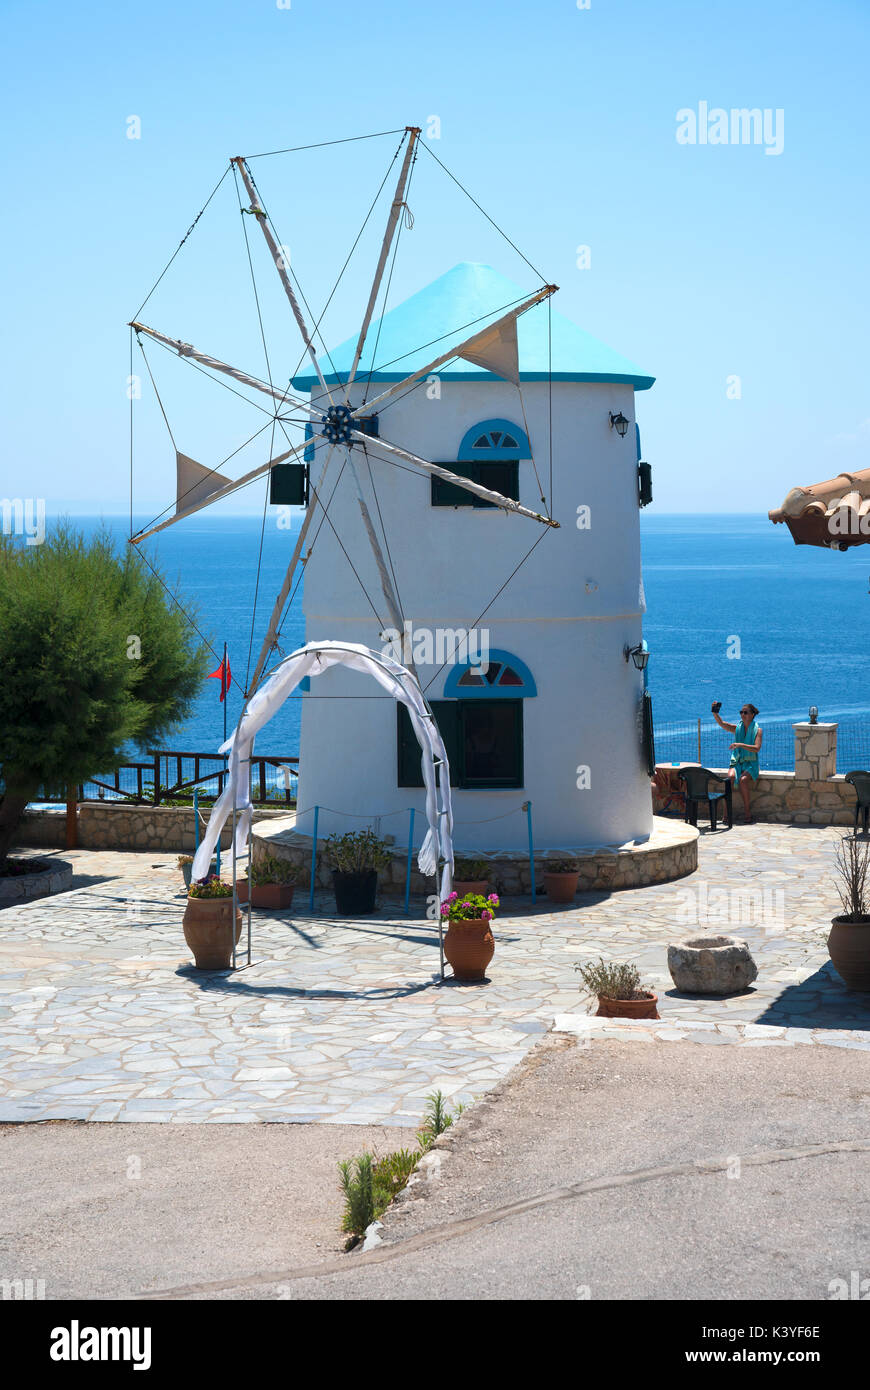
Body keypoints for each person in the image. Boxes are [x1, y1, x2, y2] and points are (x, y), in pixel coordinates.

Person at [712, 701, 762, 823]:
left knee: (743, 781)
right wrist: (715, 712)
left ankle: (747, 813)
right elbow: (722, 724)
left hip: (751, 763)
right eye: (741, 712)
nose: (742, 714)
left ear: (752, 715)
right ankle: (726, 813)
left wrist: (739, 744)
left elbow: (756, 748)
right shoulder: (737, 728)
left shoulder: (758, 730)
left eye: (745, 712)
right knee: (730, 778)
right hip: (737, 761)